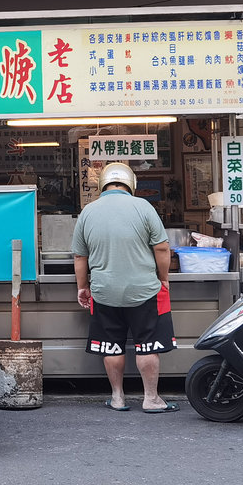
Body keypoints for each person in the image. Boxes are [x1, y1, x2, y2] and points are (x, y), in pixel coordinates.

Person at [72, 162, 178, 413]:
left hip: (104, 291)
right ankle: (151, 399)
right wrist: (163, 277)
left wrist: (82, 287)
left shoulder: (88, 211)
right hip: (144, 289)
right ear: (131, 184)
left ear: (103, 184)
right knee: (147, 345)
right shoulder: (144, 206)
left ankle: (117, 397)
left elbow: (79, 257)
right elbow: (162, 248)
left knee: (112, 346)